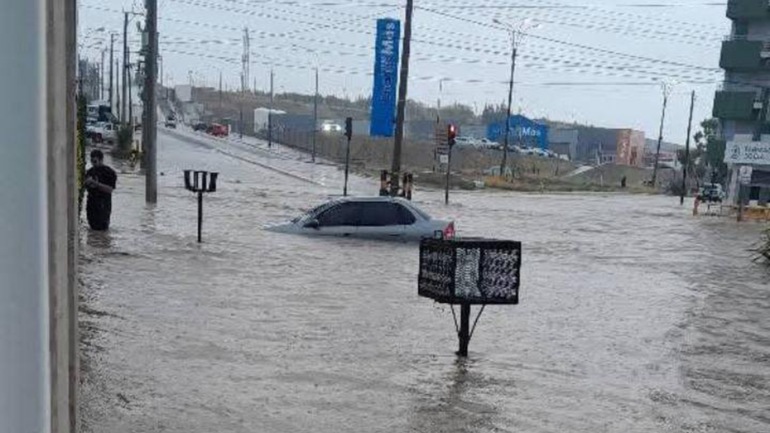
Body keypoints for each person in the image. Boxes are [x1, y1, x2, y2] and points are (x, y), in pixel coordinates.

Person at [85, 149, 117, 231]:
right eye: (91, 161)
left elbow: (110, 189)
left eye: (95, 161)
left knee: (102, 229)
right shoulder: (90, 172)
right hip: (91, 205)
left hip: (103, 206)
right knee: (92, 230)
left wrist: (96, 184)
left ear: (101, 160)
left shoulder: (109, 172)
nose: (93, 164)